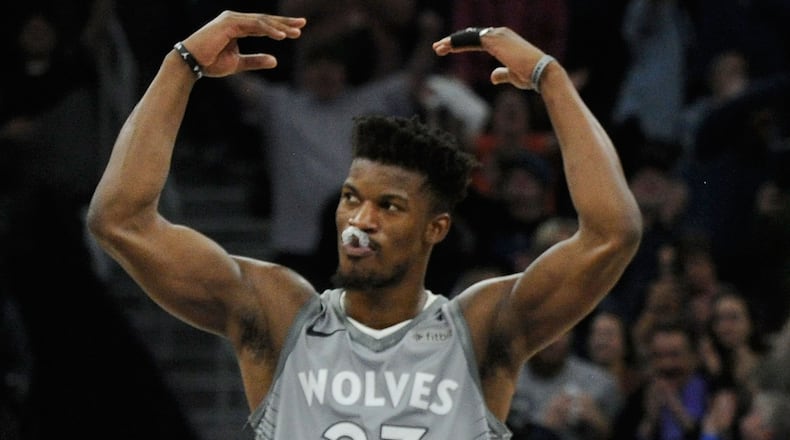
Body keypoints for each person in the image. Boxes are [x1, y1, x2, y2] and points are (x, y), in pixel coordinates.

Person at [87, 11, 642, 438]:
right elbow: (120, 220)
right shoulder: (281, 317)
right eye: (352, 198)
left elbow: (613, 232)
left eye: (389, 206)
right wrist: (178, 67)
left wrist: (552, 80)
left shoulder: (478, 330)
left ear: (436, 229)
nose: (361, 220)